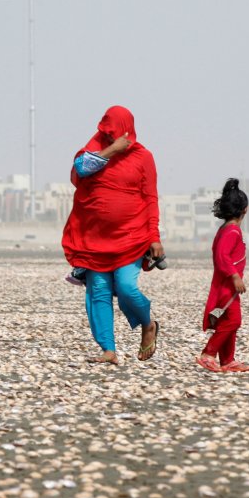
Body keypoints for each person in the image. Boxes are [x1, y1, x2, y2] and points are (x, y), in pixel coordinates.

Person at [61, 105, 163, 365]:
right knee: (99, 291)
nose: (110, 137)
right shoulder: (94, 151)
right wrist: (112, 150)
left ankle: (148, 324)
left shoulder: (143, 157)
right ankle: (108, 349)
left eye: (115, 134)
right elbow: (80, 170)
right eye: (106, 133)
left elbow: (150, 198)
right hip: (94, 238)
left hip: (131, 236)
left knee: (127, 287)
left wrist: (154, 237)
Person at [197, 178, 249, 372]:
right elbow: (222, 256)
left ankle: (227, 360)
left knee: (229, 322)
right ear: (245, 210)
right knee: (234, 320)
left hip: (226, 285)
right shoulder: (232, 231)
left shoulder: (226, 229)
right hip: (227, 285)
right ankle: (209, 353)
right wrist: (235, 276)